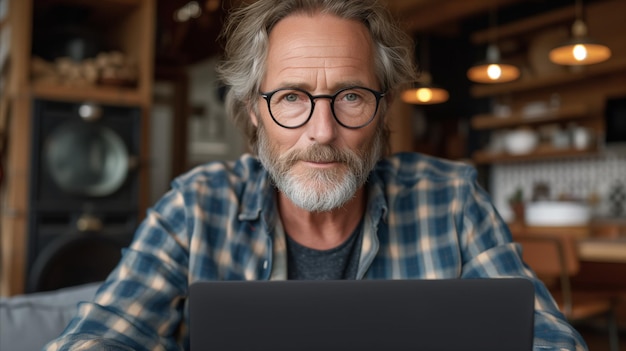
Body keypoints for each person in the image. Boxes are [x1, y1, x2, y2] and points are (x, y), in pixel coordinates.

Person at [44, 0, 587, 350]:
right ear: (255, 111)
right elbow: (97, 339)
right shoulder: (195, 208)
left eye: (350, 96)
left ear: (383, 108)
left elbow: (550, 341)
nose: (322, 130)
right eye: (291, 98)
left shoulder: (451, 200)